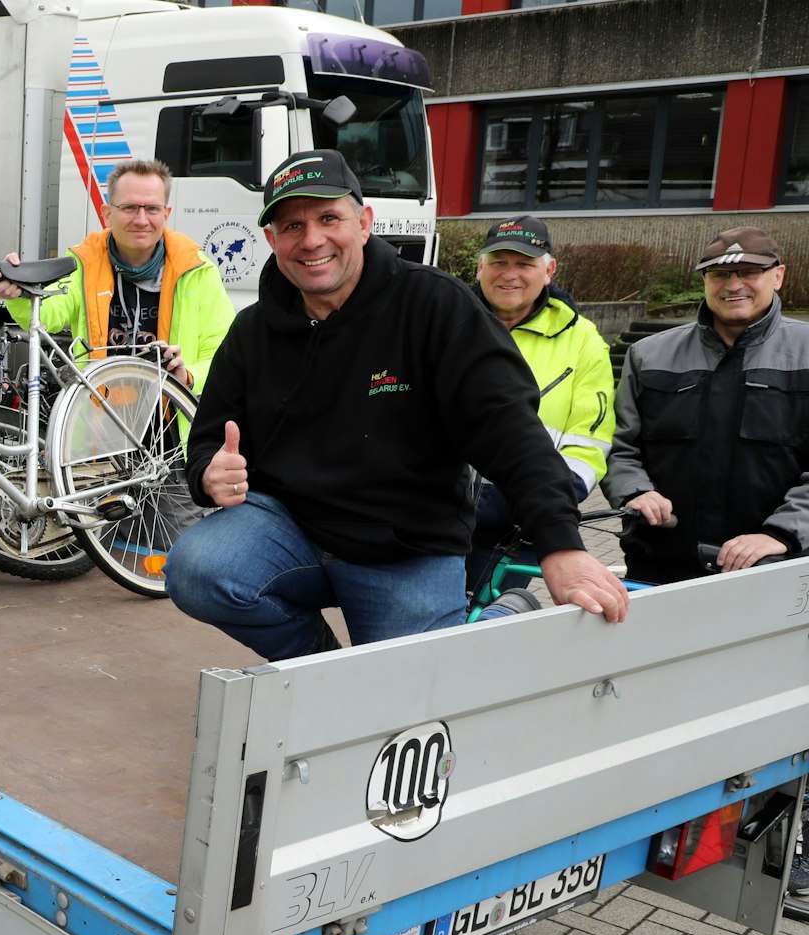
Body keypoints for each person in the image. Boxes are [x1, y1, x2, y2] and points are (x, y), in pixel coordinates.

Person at [166, 150, 628, 660]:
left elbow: (510, 430)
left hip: (404, 545)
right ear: (273, 240)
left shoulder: (436, 306)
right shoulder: (253, 330)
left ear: (364, 223)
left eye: (328, 218)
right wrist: (209, 473)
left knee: (411, 698)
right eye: (292, 225)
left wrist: (559, 545)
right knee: (197, 569)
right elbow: (208, 436)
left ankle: (504, 612)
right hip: (289, 527)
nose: (312, 239)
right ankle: (321, 671)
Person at [603, 226, 809, 584]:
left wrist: (781, 534)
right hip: (659, 564)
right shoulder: (649, 355)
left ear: (778, 276)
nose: (733, 285)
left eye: (748, 272)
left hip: (775, 567)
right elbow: (619, 447)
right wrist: (636, 491)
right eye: (719, 274)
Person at [464, 215, 617, 600]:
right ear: (480, 266)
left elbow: (589, 441)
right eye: (498, 262)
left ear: (549, 270)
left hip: (517, 525)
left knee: (479, 625)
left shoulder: (583, 340)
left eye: (524, 263)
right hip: (434, 520)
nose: (509, 274)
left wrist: (546, 506)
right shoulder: (447, 319)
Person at [0, 157, 235, 387]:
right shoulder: (84, 262)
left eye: (152, 209)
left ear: (166, 214)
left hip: (169, 421)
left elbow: (222, 353)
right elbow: (47, 316)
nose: (141, 219)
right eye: (129, 208)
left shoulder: (197, 269)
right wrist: (17, 293)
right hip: (98, 418)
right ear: (107, 214)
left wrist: (189, 376)